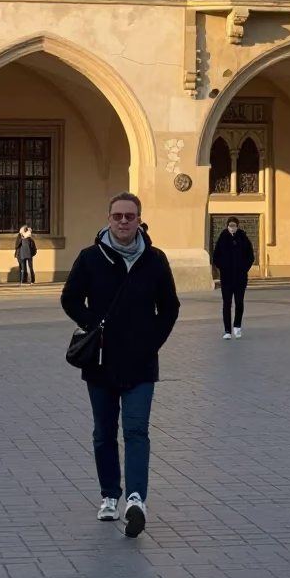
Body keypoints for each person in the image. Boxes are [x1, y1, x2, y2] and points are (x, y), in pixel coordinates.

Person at [61, 192, 179, 536]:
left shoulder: (155, 260)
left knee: (137, 430)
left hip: (141, 364)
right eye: (118, 216)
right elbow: (69, 298)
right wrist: (93, 324)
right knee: (104, 432)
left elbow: (169, 307)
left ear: (140, 219)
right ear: (108, 219)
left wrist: (151, 341)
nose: (124, 222)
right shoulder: (89, 258)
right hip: (100, 362)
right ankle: (110, 496)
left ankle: (136, 498)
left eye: (130, 216)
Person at [212, 216, 254, 339]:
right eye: (230, 225)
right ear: (227, 226)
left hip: (240, 278)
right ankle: (227, 330)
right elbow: (216, 256)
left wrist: (243, 268)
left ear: (237, 226)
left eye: (234, 225)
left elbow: (250, 256)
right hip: (227, 279)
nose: (232, 228)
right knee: (227, 303)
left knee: (239, 302)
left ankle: (237, 326)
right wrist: (222, 268)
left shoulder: (243, 238)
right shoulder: (223, 238)